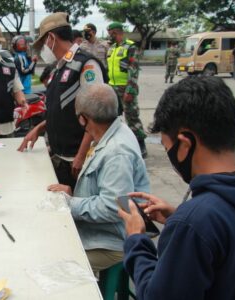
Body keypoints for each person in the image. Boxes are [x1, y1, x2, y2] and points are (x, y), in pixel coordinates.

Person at [118, 76, 235, 299]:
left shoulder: (195, 223)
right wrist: (177, 216)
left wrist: (136, 238)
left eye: (167, 148)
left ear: (185, 143)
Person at [48, 84, 149, 273]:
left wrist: (70, 203)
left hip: (112, 241)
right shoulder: (113, 132)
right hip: (103, 232)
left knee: (54, 260)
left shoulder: (117, 152)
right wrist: (73, 194)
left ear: (82, 119)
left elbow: (113, 208)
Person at [18, 12, 108, 191]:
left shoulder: (86, 65)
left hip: (77, 160)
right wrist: (39, 127)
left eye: (43, 43)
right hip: (62, 156)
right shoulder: (60, 67)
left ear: (51, 38)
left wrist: (81, 156)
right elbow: (62, 109)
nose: (44, 49)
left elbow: (96, 115)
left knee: (77, 210)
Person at [106, 22, 147, 158]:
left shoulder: (130, 47)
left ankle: (140, 144)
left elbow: (133, 70)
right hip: (112, 88)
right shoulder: (111, 48)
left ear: (116, 32)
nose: (108, 35)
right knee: (112, 117)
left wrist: (130, 90)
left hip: (125, 87)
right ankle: (118, 143)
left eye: (110, 33)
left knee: (132, 116)